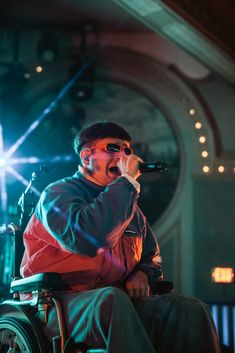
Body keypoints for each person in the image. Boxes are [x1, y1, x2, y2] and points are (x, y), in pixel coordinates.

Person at [20, 122, 221, 353]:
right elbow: (89, 239)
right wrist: (127, 183)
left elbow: (151, 256)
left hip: (117, 301)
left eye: (127, 150)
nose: (124, 156)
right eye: (114, 148)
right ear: (87, 157)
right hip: (58, 303)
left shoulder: (130, 209)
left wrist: (144, 272)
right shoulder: (58, 194)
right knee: (112, 301)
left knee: (187, 309)